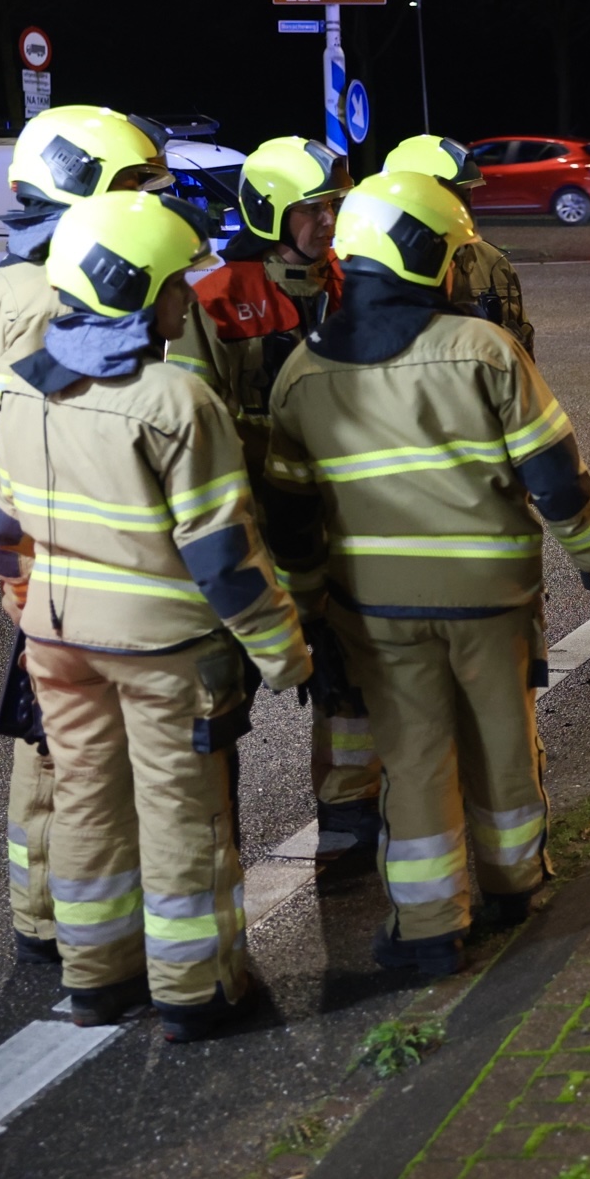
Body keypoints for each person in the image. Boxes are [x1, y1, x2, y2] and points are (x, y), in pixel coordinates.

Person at [262, 171, 590, 979]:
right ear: (427, 256)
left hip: (375, 610)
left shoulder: (301, 374)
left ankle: (427, 926)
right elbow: (555, 476)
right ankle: (514, 884)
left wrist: (307, 601)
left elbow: (291, 514)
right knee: (501, 739)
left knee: (414, 755)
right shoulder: (485, 350)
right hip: (491, 600)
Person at [0, 190, 313, 1041]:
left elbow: (2, 530)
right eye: (173, 285)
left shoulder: (21, 391)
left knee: (88, 801)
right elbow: (222, 556)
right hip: (163, 651)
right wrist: (285, 654)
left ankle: (95, 977)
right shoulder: (175, 401)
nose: (183, 301)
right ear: (133, 291)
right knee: (182, 815)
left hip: (57, 645)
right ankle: (194, 987)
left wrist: (32, 617)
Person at [0, 105, 172, 967]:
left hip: (50, 543)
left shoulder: (33, 276)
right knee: (60, 743)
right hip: (58, 548)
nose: (143, 201)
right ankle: (53, 915)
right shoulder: (38, 293)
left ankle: (55, 910)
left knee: (61, 734)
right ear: (77, 184)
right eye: (129, 185)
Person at [165, 137, 381, 861]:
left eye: (336, 205)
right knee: (221, 694)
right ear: (269, 212)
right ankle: (209, 844)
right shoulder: (216, 300)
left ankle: (349, 831)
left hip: (344, 528)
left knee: (350, 683)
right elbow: (195, 424)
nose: (329, 220)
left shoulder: (357, 285)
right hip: (251, 532)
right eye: (313, 208)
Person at [381, 135, 535, 357]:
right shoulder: (372, 274)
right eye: (453, 197)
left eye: (468, 194)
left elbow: (523, 359)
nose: (464, 209)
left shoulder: (492, 262)